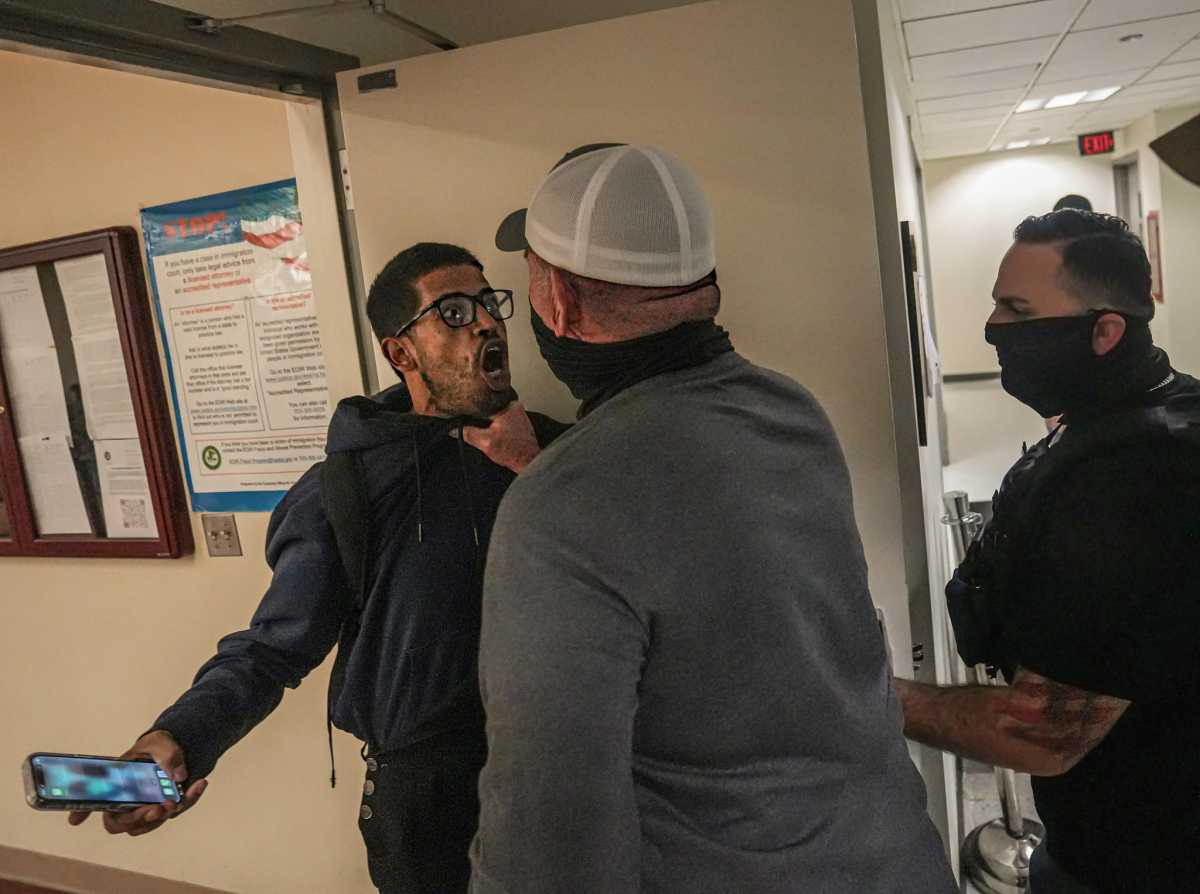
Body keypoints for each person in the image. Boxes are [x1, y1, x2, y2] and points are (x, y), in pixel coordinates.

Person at [465, 143, 956, 893]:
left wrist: (555, 484)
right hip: (898, 863)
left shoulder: (559, 508)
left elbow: (550, 838)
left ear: (558, 299)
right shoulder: (793, 414)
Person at [69, 242, 569, 894]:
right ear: (401, 353)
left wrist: (535, 468)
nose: (483, 322)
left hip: (562, 774)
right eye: (452, 311)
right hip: (430, 806)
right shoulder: (347, 487)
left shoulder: (560, 453)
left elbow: (634, 576)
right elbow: (273, 649)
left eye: (487, 304)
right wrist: (181, 738)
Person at [895, 210, 1200, 893]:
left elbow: (1045, 735)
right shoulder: (1130, 417)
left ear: (1105, 332)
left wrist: (877, 698)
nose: (992, 328)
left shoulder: (1143, 477)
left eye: (1017, 309)